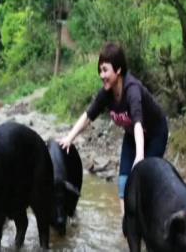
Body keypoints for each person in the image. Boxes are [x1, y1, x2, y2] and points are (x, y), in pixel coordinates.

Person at [57, 42, 168, 215]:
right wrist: (69, 138)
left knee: (144, 179)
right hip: (132, 135)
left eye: (105, 70)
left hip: (155, 134)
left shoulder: (132, 90)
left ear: (118, 70)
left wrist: (140, 156)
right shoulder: (106, 93)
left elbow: (138, 121)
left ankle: (152, 218)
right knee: (124, 182)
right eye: (100, 70)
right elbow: (88, 115)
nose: (102, 75)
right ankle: (127, 225)